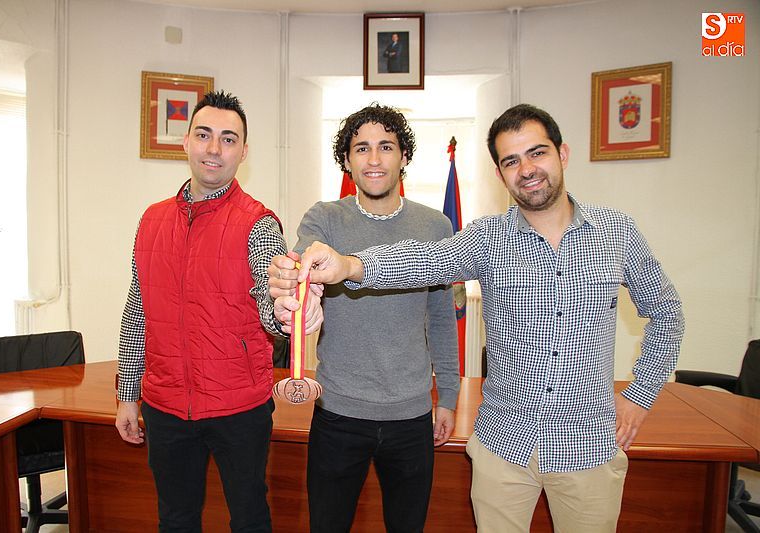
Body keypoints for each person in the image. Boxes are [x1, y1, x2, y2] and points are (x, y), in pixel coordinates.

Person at [288, 104, 685, 532]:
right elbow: (424, 261)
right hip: (504, 448)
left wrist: (639, 396)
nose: (526, 169)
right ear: (500, 173)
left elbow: (667, 313)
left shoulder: (617, 232)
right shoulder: (487, 237)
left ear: (563, 154)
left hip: (587, 448)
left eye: (537, 153)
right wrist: (350, 266)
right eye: (511, 161)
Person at [114, 90, 322, 532]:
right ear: (185, 141)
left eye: (228, 139)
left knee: (249, 519)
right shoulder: (151, 220)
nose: (214, 148)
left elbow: (270, 305)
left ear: (243, 152)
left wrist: (285, 310)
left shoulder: (258, 223)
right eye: (204, 135)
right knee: (175, 519)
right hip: (166, 405)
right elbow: (137, 311)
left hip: (238, 408)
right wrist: (127, 396)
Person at [268, 103, 459, 532]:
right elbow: (301, 273)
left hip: (411, 416)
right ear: (347, 159)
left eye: (386, 147)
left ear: (404, 156)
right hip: (338, 413)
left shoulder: (436, 226)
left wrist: (447, 395)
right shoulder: (324, 218)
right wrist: (290, 288)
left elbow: (441, 316)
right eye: (362, 148)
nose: (374, 159)